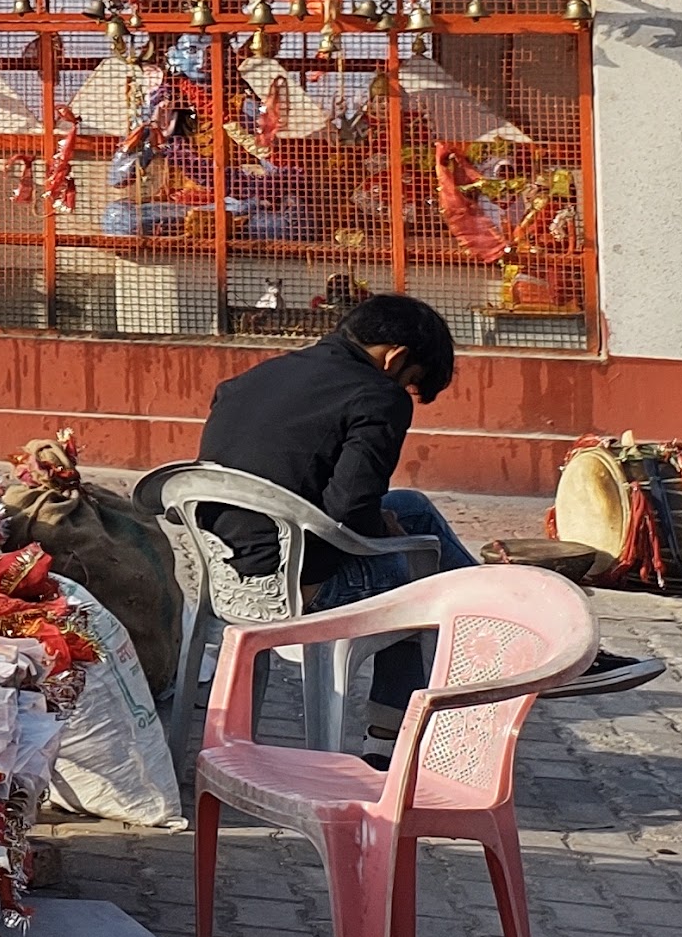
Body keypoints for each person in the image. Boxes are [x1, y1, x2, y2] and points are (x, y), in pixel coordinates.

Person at [196, 292, 657, 727]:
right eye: (410, 380)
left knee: (410, 508)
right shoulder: (378, 395)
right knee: (419, 577)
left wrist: (382, 523)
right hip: (302, 583)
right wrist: (382, 533)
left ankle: (528, 639)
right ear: (395, 358)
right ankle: (406, 728)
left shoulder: (254, 378)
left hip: (227, 573)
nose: (404, 389)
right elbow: (349, 510)